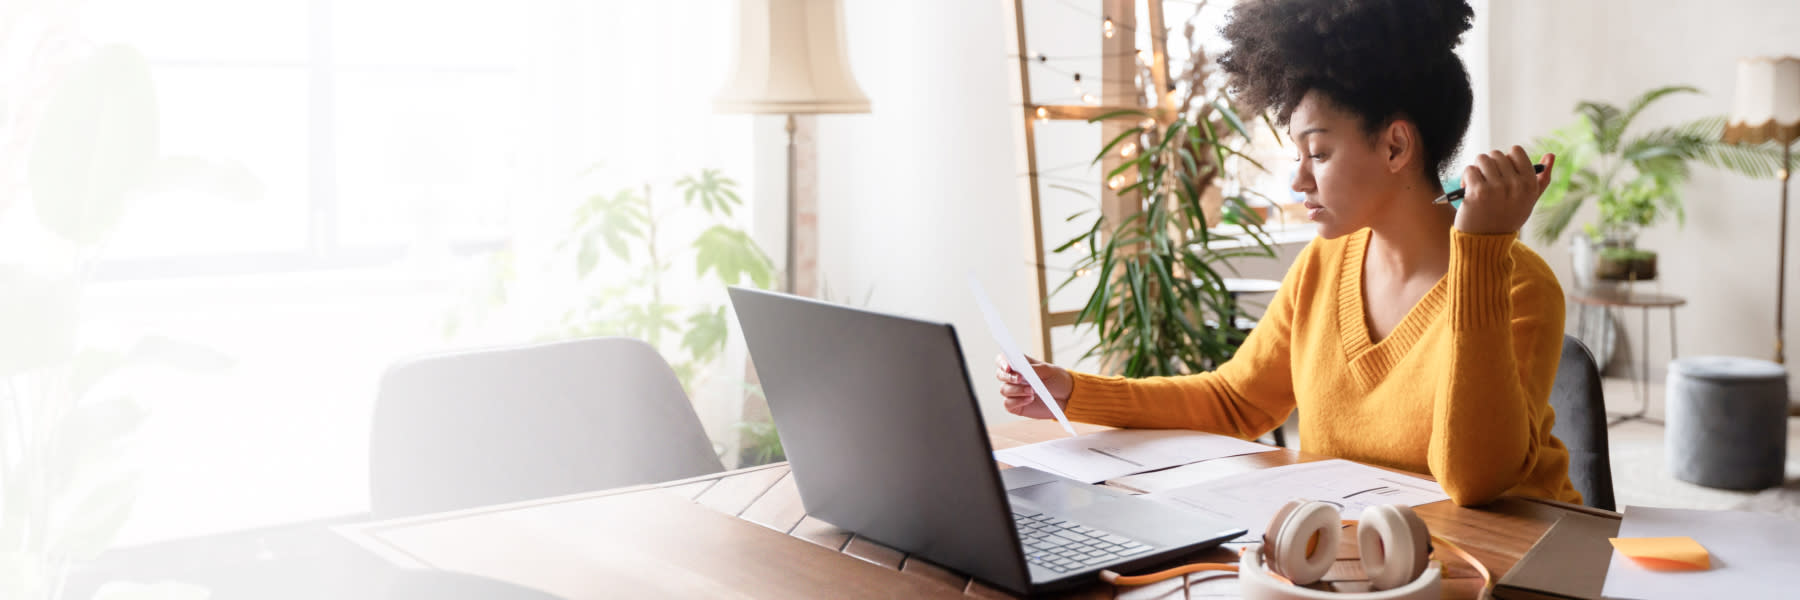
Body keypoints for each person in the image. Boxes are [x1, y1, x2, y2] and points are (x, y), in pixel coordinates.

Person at [995, 0, 1579, 506]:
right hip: (1362, 562)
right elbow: (1235, 401)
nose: (1297, 180)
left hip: (1515, 563)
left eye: (1318, 153)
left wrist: (1479, 250)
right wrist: (1073, 392)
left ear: (1396, 145)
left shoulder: (1518, 287)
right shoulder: (1323, 266)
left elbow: (1473, 482)